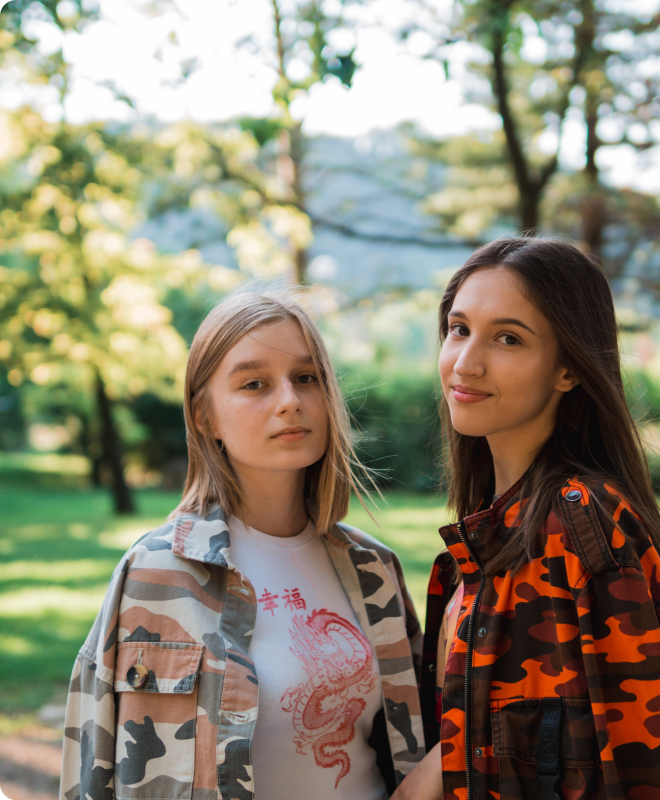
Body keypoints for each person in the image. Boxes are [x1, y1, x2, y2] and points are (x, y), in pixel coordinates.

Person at [394, 237, 660, 800]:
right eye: (459, 329)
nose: (466, 361)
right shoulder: (487, 538)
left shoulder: (579, 526)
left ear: (568, 370)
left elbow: (649, 760)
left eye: (508, 338)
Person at [60, 290, 425, 800]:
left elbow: (417, 750)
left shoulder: (373, 569)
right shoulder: (155, 572)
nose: (289, 400)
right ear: (205, 416)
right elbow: (91, 769)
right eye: (255, 384)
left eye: (306, 378)